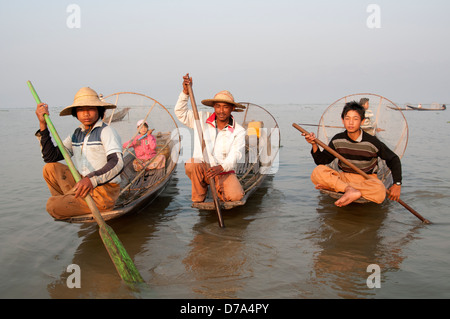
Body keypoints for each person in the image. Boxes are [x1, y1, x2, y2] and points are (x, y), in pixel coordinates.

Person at [35, 87, 124, 220]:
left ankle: (72, 203)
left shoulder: (106, 131)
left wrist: (92, 179)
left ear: (99, 111)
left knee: (52, 206)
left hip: (103, 192)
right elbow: (51, 157)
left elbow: (117, 162)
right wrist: (43, 125)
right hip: (83, 185)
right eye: (81, 110)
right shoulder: (76, 134)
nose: (86, 114)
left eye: (91, 109)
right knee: (50, 168)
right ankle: (72, 201)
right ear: (75, 113)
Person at [302, 101, 402, 207]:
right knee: (318, 172)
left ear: (362, 121)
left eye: (355, 119)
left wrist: (397, 184)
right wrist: (314, 144)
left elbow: (393, 159)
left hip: (366, 179)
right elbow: (321, 161)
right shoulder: (337, 140)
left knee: (380, 190)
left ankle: (340, 188)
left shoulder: (372, 142)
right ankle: (349, 190)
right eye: (347, 118)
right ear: (342, 120)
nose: (350, 123)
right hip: (345, 177)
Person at [174, 74, 246, 203]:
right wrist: (185, 93)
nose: (221, 111)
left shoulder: (239, 131)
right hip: (203, 170)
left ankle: (219, 190)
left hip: (223, 172)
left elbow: (237, 154)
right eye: (218, 106)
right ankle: (199, 196)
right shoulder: (200, 118)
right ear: (214, 107)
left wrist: (222, 167)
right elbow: (180, 113)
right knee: (192, 164)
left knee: (235, 197)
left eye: (225, 107)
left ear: (232, 109)